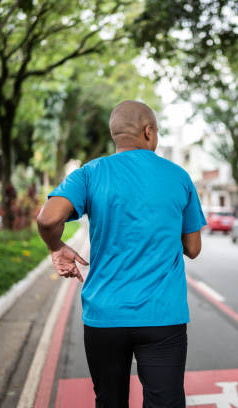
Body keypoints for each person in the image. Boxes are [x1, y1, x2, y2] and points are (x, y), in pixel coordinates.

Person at [37, 100, 206, 408]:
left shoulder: (89, 173)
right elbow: (193, 248)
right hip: (162, 317)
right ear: (148, 132)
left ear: (116, 135)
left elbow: (48, 219)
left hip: (104, 316)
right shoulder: (178, 176)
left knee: (109, 401)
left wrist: (56, 247)